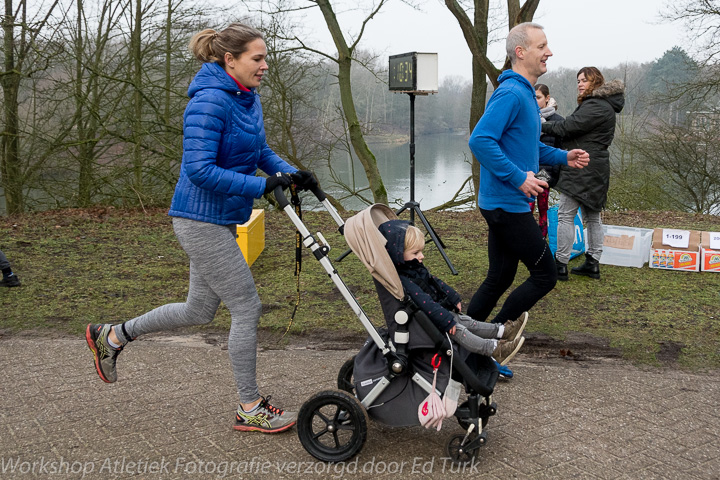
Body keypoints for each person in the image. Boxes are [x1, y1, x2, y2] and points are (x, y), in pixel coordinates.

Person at [85, 23, 318, 434]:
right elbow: (199, 169)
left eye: (265, 58)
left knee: (199, 310)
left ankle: (112, 336)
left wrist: (292, 174)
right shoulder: (209, 102)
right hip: (197, 220)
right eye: (257, 58)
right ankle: (249, 407)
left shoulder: (247, 98)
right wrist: (262, 186)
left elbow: (259, 150)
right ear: (230, 60)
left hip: (219, 219)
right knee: (246, 306)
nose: (265, 66)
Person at [466, 22, 590, 326]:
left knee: (500, 277)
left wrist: (563, 156)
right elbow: (480, 140)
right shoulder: (510, 93)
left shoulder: (524, 93)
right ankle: (492, 339)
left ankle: (462, 342)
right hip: (505, 203)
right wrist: (518, 177)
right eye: (542, 46)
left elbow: (526, 146)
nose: (549, 52)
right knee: (545, 276)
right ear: (520, 52)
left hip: (504, 203)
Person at [379, 221, 527, 366]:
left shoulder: (414, 268)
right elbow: (424, 302)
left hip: (438, 313)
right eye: (416, 252)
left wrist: (453, 296)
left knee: (468, 322)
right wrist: (446, 320)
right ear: (397, 253)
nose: (422, 256)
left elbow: (434, 282)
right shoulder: (404, 280)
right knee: (460, 330)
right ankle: (495, 350)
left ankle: (504, 331)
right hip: (427, 322)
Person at [542, 67, 625, 280]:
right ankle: (592, 263)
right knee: (593, 216)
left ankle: (560, 264)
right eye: (578, 80)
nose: (580, 84)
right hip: (596, 167)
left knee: (566, 215)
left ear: (596, 82)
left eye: (584, 80)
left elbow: (568, 127)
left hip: (582, 165)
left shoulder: (596, 105)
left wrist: (543, 125)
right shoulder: (603, 105)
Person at [533, 83, 564, 238]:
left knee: (543, 207)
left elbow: (561, 149)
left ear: (547, 98)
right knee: (527, 207)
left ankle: (541, 237)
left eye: (538, 97)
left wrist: (555, 173)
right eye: (532, 97)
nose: (535, 101)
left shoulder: (558, 121)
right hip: (529, 169)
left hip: (546, 171)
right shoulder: (528, 117)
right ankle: (528, 238)